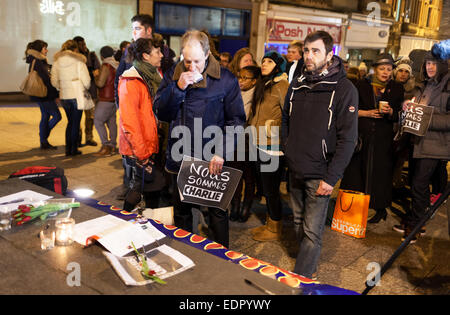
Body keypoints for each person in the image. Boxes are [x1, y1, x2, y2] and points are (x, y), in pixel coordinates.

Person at [153, 30, 246, 248]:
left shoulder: (225, 79)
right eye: (187, 61)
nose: (191, 67)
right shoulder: (172, 76)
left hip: (212, 158)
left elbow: (236, 121)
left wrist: (222, 151)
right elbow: (161, 112)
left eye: (196, 61)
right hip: (180, 157)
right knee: (182, 212)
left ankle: (223, 259)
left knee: (217, 212)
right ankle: (186, 253)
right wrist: (178, 88)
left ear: (207, 55)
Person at [281, 31, 358, 280]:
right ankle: (307, 262)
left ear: (329, 54)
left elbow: (348, 139)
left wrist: (331, 177)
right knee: (297, 221)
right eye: (306, 50)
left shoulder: (344, 88)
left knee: (312, 231)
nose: (309, 56)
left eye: (315, 51)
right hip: (295, 167)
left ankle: (303, 277)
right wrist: (288, 148)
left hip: (320, 173)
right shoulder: (297, 82)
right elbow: (285, 121)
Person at [340, 53, 404, 224]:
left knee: (380, 174)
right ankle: (353, 208)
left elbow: (400, 114)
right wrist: (367, 113)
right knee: (357, 172)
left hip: (383, 139)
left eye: (389, 69)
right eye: (382, 68)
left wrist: (391, 112)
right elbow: (350, 109)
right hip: (362, 137)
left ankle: (380, 208)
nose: (385, 72)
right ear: (375, 69)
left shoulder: (397, 88)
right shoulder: (362, 85)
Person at [399, 51, 449, 243]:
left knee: (420, 184)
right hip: (418, 141)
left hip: (436, 145)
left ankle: (417, 226)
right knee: (415, 182)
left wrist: (426, 117)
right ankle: (414, 219)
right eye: (428, 63)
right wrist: (408, 105)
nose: (430, 67)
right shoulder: (424, 84)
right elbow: (415, 105)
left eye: (434, 64)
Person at [118, 38, 166, 211]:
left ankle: (147, 221)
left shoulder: (151, 75)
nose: (161, 55)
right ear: (146, 56)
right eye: (157, 52)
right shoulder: (131, 81)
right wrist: (142, 153)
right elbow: (129, 122)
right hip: (139, 147)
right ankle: (125, 217)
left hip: (149, 142)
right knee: (142, 185)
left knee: (149, 186)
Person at [248, 51, 289, 241]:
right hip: (259, 143)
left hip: (273, 146)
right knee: (265, 188)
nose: (264, 64)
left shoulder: (282, 86)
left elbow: (289, 116)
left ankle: (275, 229)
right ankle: (270, 224)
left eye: (270, 61)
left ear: (278, 65)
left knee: (272, 190)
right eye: (263, 60)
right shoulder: (265, 84)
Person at [114, 14, 154, 200]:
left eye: (137, 28)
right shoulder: (129, 51)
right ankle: (129, 189)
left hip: (151, 115)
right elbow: (119, 79)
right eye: (133, 29)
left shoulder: (160, 50)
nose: (134, 32)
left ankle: (146, 191)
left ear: (148, 31)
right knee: (131, 154)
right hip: (132, 110)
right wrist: (121, 107)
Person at [229, 65, 261, 222]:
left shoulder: (258, 95)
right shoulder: (233, 93)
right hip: (234, 139)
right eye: (239, 76)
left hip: (250, 140)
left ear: (254, 81)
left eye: (245, 78)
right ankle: (234, 206)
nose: (241, 80)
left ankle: (246, 207)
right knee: (235, 175)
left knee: (249, 177)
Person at [51, 40, 90, 156]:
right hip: (77, 95)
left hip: (64, 96)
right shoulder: (79, 62)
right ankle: (73, 149)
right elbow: (87, 81)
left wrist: (61, 87)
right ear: (75, 49)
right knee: (75, 123)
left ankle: (68, 149)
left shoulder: (57, 63)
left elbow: (53, 82)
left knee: (70, 122)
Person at [25, 40, 61, 150]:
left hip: (40, 94)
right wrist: (56, 95)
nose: (47, 50)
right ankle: (43, 136)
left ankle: (43, 141)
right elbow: (47, 80)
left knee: (45, 116)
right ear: (39, 49)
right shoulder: (39, 62)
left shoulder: (35, 60)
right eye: (45, 48)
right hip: (45, 94)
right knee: (57, 116)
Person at [73, 36, 100, 147]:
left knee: (90, 117)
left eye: (84, 44)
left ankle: (89, 137)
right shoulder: (73, 59)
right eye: (81, 45)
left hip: (90, 91)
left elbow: (97, 72)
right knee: (76, 118)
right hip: (76, 91)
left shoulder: (91, 56)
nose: (84, 46)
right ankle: (77, 139)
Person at [93, 46, 119, 157]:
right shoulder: (116, 65)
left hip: (105, 98)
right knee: (111, 121)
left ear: (102, 55)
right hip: (114, 98)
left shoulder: (106, 66)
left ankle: (106, 146)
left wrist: (95, 76)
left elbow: (100, 83)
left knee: (98, 121)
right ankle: (113, 146)